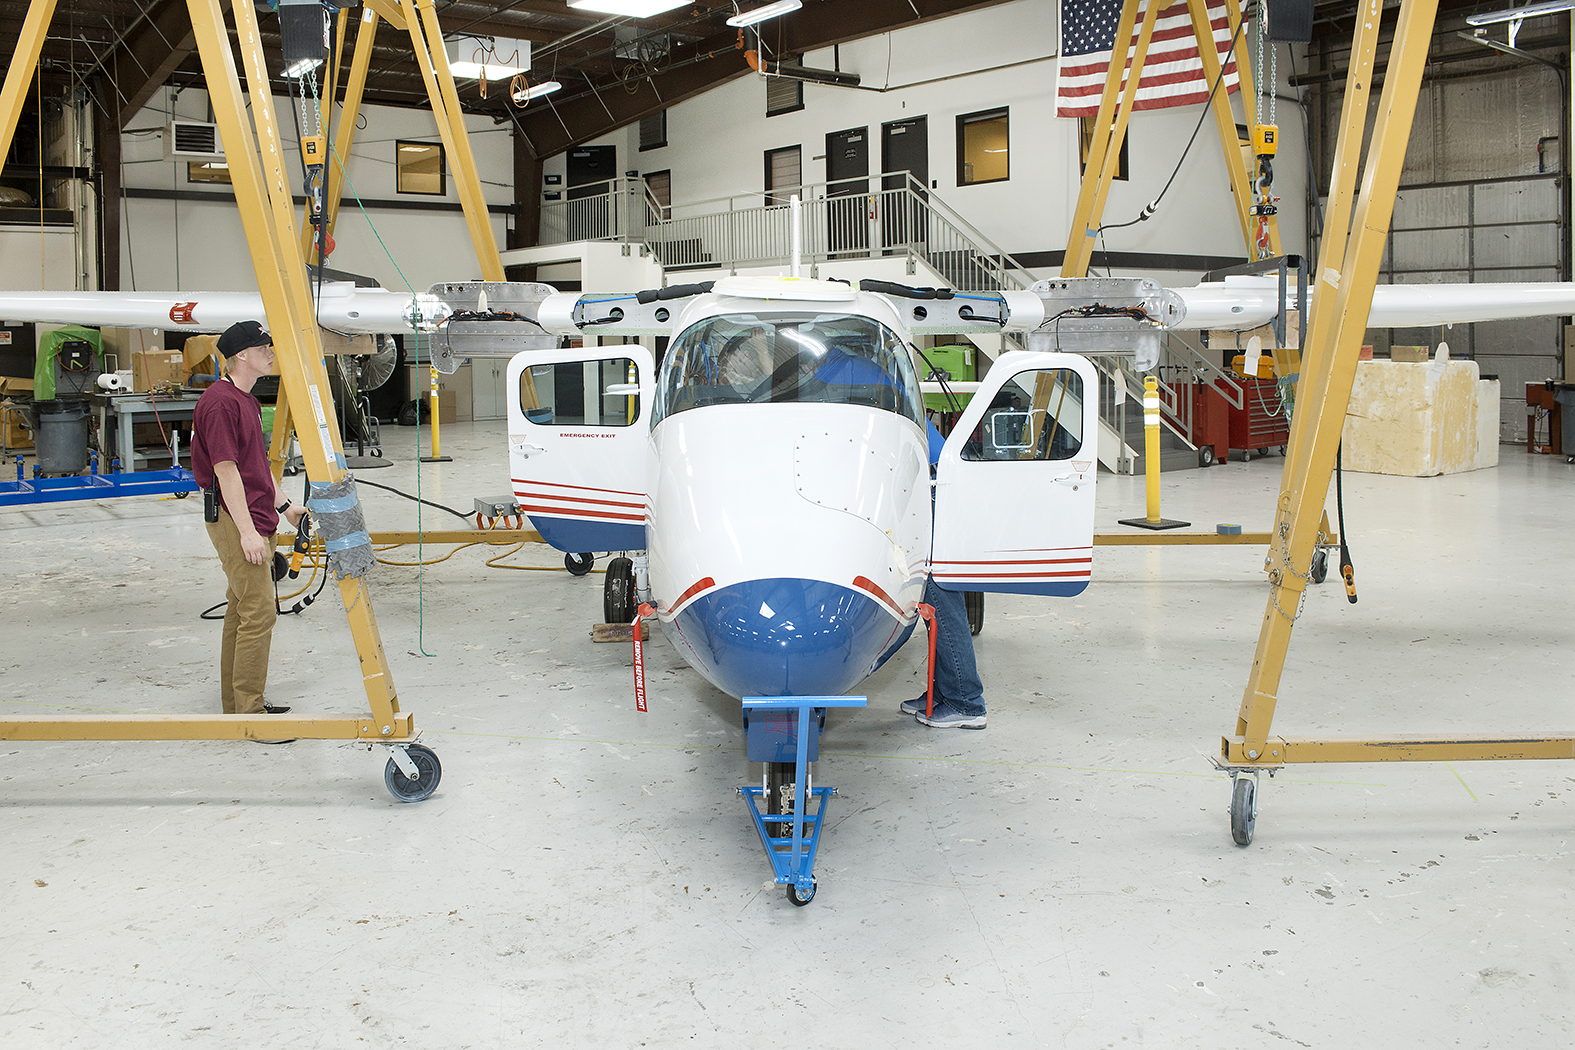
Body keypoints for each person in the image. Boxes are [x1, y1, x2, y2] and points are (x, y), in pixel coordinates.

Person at [191, 320, 308, 730]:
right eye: (264, 347)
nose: (271, 352)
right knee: (259, 613)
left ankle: (235, 705)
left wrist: (286, 505)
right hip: (233, 518)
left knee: (241, 610)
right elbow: (226, 473)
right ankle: (250, 714)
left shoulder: (247, 400)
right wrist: (246, 532)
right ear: (242, 355)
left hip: (258, 514)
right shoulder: (220, 404)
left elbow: (255, 465)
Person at [900, 416, 987, 729]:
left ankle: (966, 702)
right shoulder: (874, 375)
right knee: (937, 606)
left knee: (941, 605)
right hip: (934, 487)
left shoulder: (846, 373)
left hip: (934, 491)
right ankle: (942, 694)